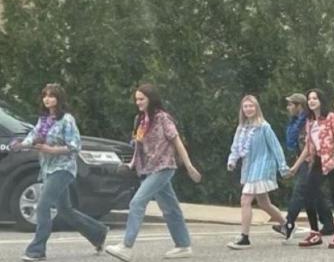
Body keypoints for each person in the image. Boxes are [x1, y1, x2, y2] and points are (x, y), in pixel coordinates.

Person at [106, 84, 202, 261]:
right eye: (136, 99)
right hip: (148, 169)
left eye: (142, 99)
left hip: (164, 167)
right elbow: (138, 147)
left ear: (151, 99)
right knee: (170, 208)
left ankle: (126, 247)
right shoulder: (140, 120)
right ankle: (183, 245)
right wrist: (131, 164)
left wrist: (188, 166)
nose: (138, 102)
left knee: (137, 202)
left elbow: (177, 142)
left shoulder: (163, 118)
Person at [16, 83, 109, 262]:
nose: (47, 99)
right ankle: (98, 233)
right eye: (45, 95)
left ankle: (36, 251)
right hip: (48, 169)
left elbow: (75, 146)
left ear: (59, 99)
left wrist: (51, 150)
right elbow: (33, 137)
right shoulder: (43, 119)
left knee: (43, 206)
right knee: (65, 210)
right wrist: (21, 144)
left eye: (51, 96)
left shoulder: (67, 119)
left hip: (63, 169)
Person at [226, 95, 290, 250]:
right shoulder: (242, 128)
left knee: (245, 200)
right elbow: (236, 147)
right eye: (245, 106)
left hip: (262, 166)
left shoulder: (264, 127)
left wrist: (283, 166)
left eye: (251, 106)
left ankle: (244, 237)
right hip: (249, 168)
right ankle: (286, 225)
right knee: (264, 203)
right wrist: (232, 160)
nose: (248, 109)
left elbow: (275, 147)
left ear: (257, 108)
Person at [290, 89, 334, 248]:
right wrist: (295, 167)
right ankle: (315, 233)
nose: (311, 101)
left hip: (333, 161)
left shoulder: (331, 117)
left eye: (315, 98)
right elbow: (308, 147)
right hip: (317, 160)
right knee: (309, 195)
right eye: (309, 98)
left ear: (321, 100)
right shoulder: (310, 122)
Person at [272, 93, 334, 242]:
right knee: (315, 193)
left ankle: (288, 223)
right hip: (304, 160)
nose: (288, 108)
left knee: (300, 190)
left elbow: (309, 145)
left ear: (299, 106)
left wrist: (297, 165)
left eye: (290, 105)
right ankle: (328, 224)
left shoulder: (307, 120)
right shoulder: (295, 122)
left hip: (313, 160)